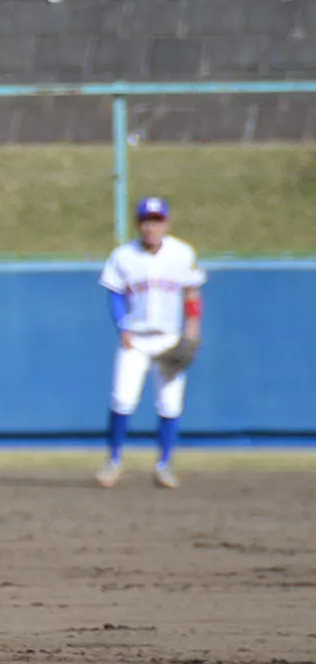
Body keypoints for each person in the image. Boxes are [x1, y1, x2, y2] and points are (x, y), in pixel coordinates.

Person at [97, 196, 205, 489]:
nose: (151, 227)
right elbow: (115, 294)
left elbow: (192, 292)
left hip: (169, 338)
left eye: (157, 221)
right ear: (138, 224)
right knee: (122, 398)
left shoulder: (182, 253)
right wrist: (122, 326)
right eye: (146, 221)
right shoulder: (123, 256)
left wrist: (192, 330)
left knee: (170, 404)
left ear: (166, 223)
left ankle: (164, 465)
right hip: (136, 339)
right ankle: (114, 461)